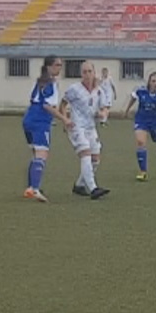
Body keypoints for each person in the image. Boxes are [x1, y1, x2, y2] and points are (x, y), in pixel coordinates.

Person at [22, 56, 72, 203]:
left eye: (61, 65)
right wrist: (65, 119)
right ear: (49, 67)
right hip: (40, 121)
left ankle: (31, 187)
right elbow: (47, 106)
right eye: (57, 65)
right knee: (42, 154)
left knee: (36, 153)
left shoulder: (40, 82)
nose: (59, 68)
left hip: (28, 119)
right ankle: (35, 189)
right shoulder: (51, 83)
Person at [61, 61, 111, 200]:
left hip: (90, 127)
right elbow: (63, 104)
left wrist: (103, 114)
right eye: (84, 72)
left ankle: (79, 185)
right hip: (77, 127)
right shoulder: (74, 89)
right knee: (86, 154)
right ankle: (93, 188)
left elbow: (105, 107)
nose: (87, 75)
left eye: (90, 71)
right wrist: (65, 119)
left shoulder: (99, 90)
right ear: (81, 74)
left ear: (94, 73)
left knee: (95, 159)